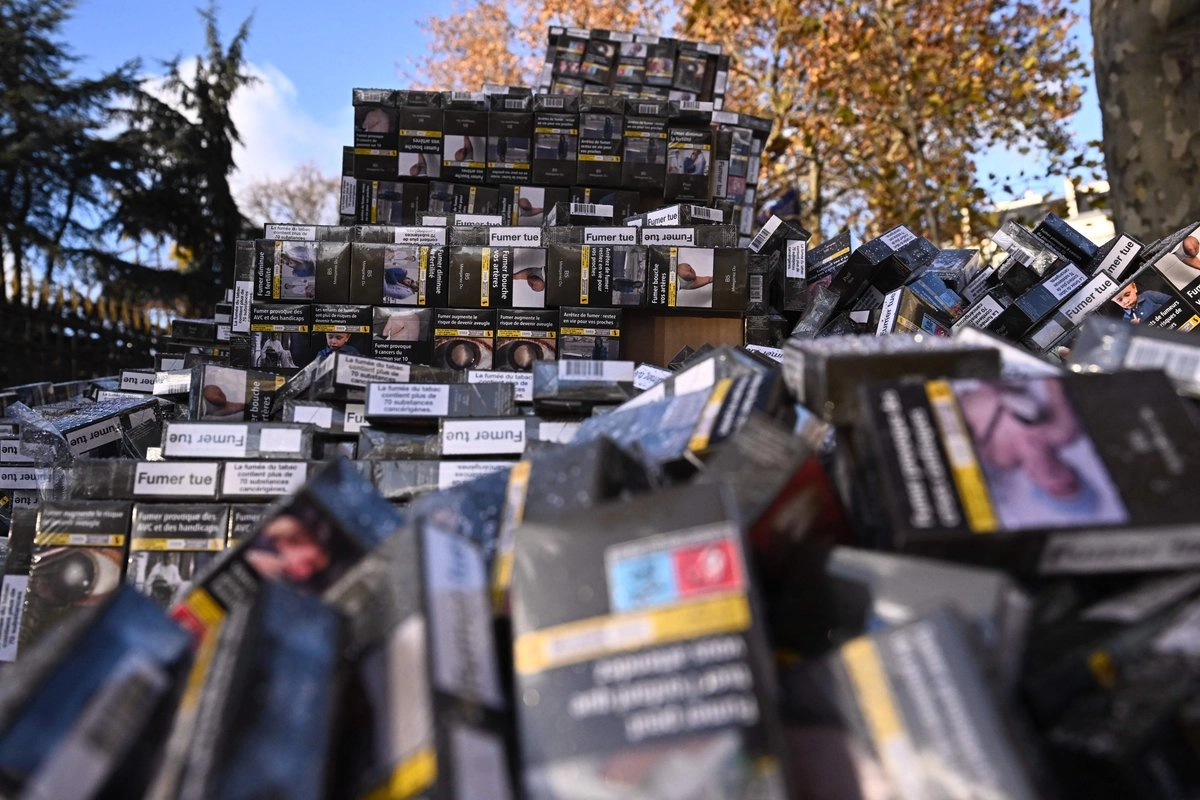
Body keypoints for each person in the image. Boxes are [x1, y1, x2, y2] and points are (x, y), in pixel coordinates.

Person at [245, 512, 334, 591]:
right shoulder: (263, 536)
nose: (305, 573)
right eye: (310, 563)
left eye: (313, 573)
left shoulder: (295, 585)